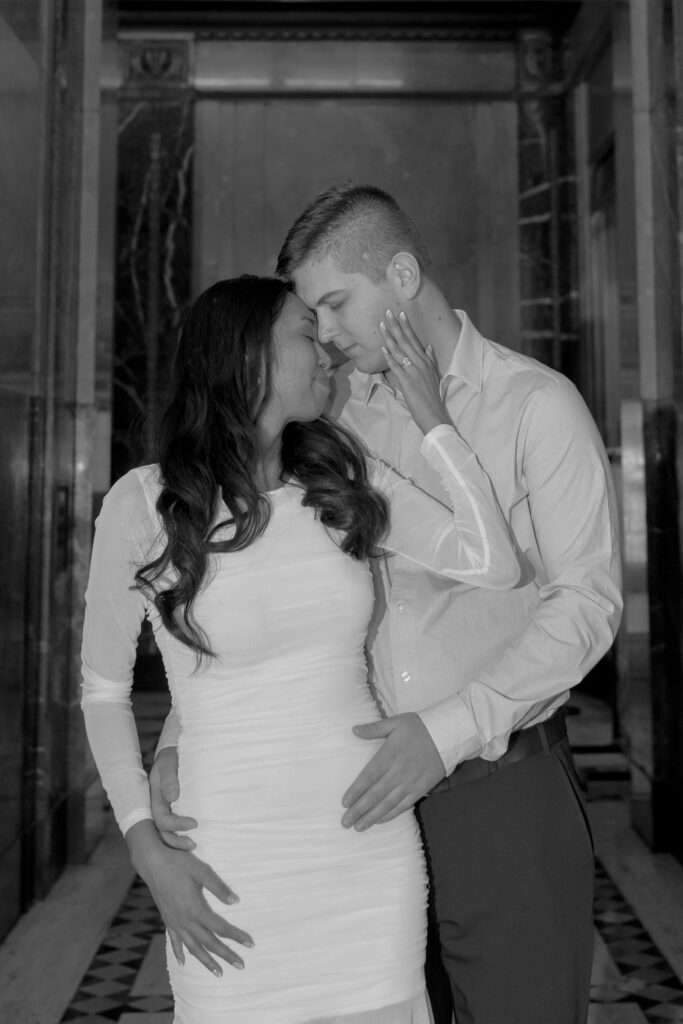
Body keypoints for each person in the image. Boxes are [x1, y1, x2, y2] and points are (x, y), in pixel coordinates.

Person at [151, 185, 623, 1024]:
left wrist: (445, 732)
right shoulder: (327, 421)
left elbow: (585, 607)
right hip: (352, 809)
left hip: (499, 791)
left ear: (401, 276)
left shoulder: (535, 405)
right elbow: (249, 591)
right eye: (312, 317)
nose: (326, 335)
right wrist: (179, 739)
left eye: (336, 303)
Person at [81, 274, 522, 1024]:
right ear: (248, 355)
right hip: (227, 860)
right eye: (305, 334)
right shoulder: (143, 504)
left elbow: (493, 561)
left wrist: (433, 420)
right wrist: (146, 850)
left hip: (365, 854)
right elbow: (103, 692)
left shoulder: (342, 479)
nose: (328, 354)